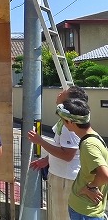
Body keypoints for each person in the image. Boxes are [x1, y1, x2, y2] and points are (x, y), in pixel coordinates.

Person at [27, 86, 88, 220]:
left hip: (66, 179)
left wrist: (40, 141)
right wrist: (47, 159)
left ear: (69, 101)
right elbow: (63, 148)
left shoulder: (69, 126)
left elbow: (68, 155)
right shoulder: (65, 122)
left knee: (62, 216)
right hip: (62, 177)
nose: (59, 94)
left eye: (63, 93)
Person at [56, 98, 108, 219]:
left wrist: (90, 187)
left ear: (70, 122)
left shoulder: (88, 144)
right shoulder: (94, 137)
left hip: (85, 210)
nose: (62, 123)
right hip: (88, 208)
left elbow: (105, 175)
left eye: (63, 120)